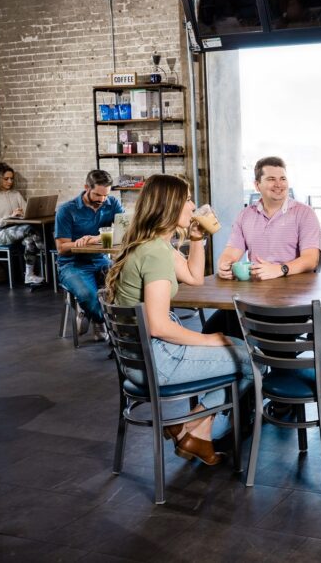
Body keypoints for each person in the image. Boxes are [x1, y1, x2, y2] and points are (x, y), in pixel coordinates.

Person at [106, 174, 251, 466]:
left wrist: (197, 239)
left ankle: (194, 431)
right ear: (169, 205)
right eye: (186, 199)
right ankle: (193, 428)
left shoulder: (152, 244)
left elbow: (195, 278)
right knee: (252, 360)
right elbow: (159, 325)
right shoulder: (155, 253)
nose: (193, 206)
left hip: (138, 360)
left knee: (237, 352)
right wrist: (209, 339)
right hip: (159, 362)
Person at [203, 157, 321, 337]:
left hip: (292, 299)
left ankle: (260, 360)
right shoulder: (245, 215)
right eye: (271, 179)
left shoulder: (304, 213)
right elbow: (231, 251)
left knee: (255, 334)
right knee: (212, 329)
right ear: (257, 185)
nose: (279, 184)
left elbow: (311, 259)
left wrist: (279, 269)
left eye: (282, 179)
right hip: (253, 296)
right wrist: (225, 264)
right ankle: (246, 361)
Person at [55, 170, 124, 335]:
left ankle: (91, 314)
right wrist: (76, 244)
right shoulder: (66, 210)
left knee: (126, 286)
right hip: (71, 265)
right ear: (86, 187)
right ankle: (101, 319)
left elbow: (125, 230)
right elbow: (61, 248)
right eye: (97, 195)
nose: (102, 200)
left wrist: (95, 238)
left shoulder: (112, 203)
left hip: (100, 260)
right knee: (87, 295)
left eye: (105, 195)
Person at [0, 162, 45, 285]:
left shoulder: (16, 194)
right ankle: (47, 255)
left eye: (11, 178)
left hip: (18, 229)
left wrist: (25, 214)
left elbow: (27, 212)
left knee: (30, 238)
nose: (10, 181)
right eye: (6, 179)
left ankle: (29, 275)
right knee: (29, 230)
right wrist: (10, 217)